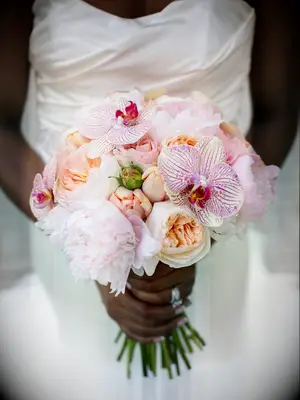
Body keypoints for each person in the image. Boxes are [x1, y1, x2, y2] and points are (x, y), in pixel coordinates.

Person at [0, 0, 298, 397]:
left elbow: (275, 112)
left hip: (215, 240)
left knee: (215, 376)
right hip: (71, 246)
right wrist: (101, 255)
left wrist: (198, 237)